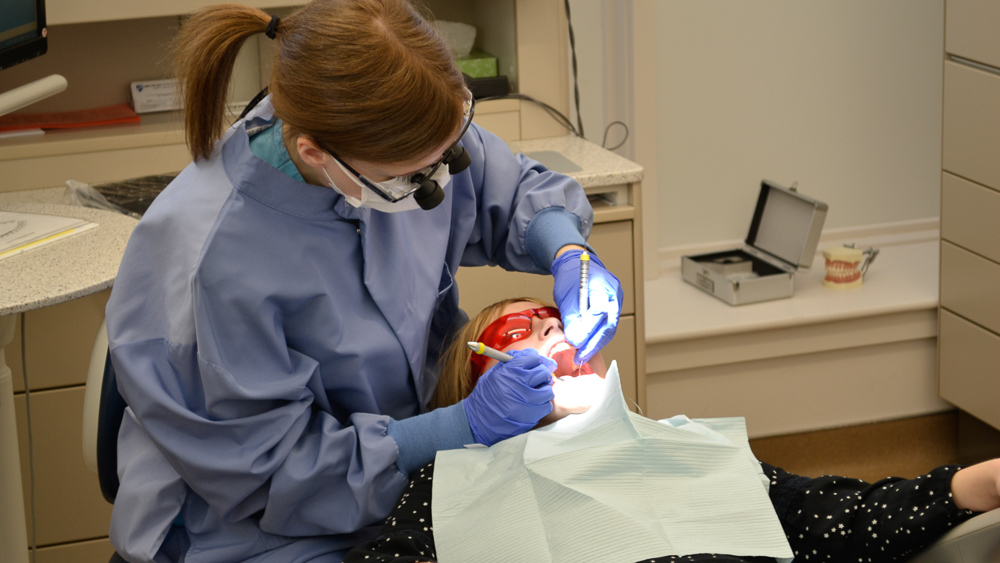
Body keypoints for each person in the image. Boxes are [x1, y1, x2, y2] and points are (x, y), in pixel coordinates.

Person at [103, 1, 624, 561]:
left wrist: (568, 250)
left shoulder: (403, 145)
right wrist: (463, 425)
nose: (443, 179)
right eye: (417, 179)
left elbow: (511, 187)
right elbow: (271, 473)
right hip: (262, 526)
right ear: (316, 154)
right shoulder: (215, 263)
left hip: (410, 470)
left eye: (449, 154)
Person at [344, 298, 1000, 563]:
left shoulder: (684, 447)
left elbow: (831, 516)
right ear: (475, 384)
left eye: (559, 323)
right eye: (523, 335)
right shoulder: (450, 485)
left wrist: (976, 481)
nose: (557, 336)